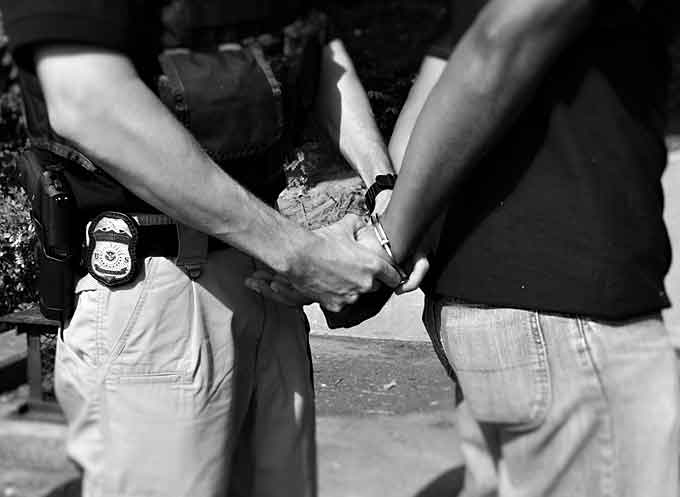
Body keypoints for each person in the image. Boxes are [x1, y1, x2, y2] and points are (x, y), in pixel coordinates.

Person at [254, 0, 680, 495]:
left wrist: (381, 241)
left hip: (491, 313)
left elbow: (443, 79)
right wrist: (387, 243)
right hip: (568, 317)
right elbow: (497, 46)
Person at [0, 1, 404, 496]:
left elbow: (316, 40)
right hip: (156, 294)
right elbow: (86, 102)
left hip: (267, 279)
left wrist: (383, 186)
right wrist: (301, 254)